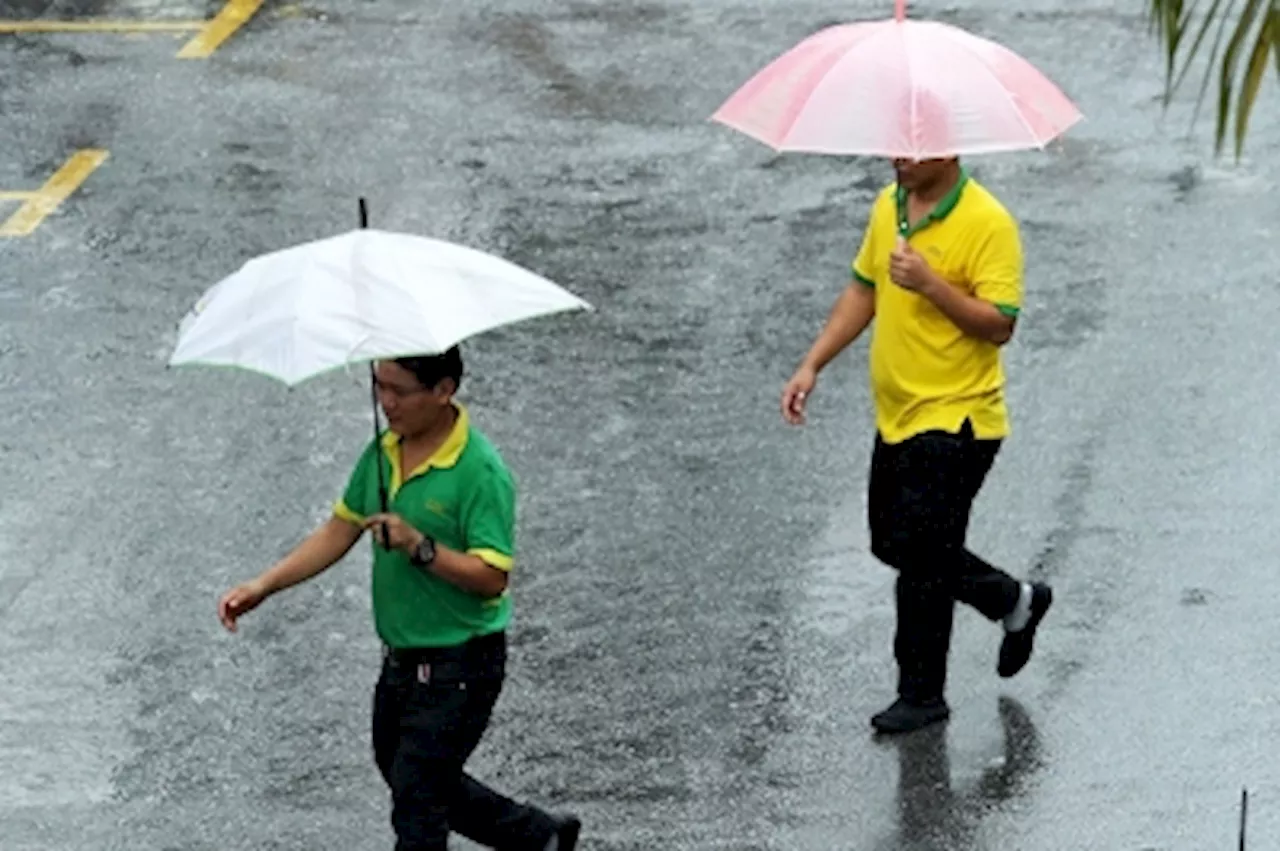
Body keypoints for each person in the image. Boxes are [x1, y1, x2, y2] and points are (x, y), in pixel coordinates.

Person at [217, 347, 581, 849]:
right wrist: (263, 585)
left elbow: (493, 576)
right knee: (406, 773)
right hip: (401, 660)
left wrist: (419, 546)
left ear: (443, 390)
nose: (385, 402)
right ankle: (540, 837)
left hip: (461, 665)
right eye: (378, 386)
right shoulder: (384, 451)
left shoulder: (480, 470)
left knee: (417, 803)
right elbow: (340, 528)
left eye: (399, 391)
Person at [780, 155, 1054, 735]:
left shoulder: (988, 222)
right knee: (895, 541)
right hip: (899, 411)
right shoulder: (889, 207)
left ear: (949, 150)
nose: (898, 156)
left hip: (960, 418)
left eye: (913, 146)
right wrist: (812, 364)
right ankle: (1012, 601)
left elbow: (1000, 324)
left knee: (923, 548)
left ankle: (922, 693)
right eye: (895, 143)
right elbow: (864, 289)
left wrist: (931, 284)